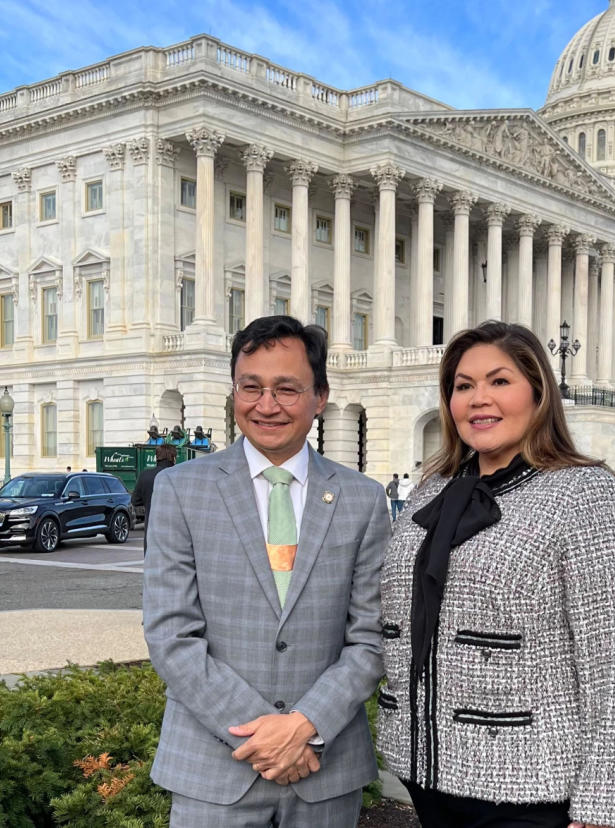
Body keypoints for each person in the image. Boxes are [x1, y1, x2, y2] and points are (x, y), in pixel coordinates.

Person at [377, 321, 615, 828]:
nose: (478, 399)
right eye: (463, 386)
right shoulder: (430, 492)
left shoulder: (587, 495)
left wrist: (604, 808)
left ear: (538, 393)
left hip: (529, 789)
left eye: (499, 381)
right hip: (427, 776)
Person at [144, 316, 389, 827]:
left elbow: (369, 638)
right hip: (214, 771)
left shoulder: (362, 499)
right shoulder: (181, 490)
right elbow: (171, 634)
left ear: (319, 396)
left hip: (323, 770)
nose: (266, 404)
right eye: (251, 387)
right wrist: (266, 738)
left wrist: (305, 725)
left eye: (286, 388)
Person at [132, 444, 176, 556]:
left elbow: (135, 501)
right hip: (174, 532)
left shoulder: (145, 475)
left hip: (151, 531)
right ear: (173, 458)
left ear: (156, 457)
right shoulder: (178, 475)